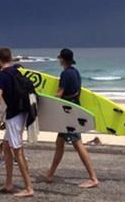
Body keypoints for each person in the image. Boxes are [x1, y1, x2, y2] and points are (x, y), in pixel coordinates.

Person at [0, 48, 33, 198]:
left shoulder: (1, 76)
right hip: (22, 113)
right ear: (10, 58)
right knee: (8, 148)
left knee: (18, 152)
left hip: (14, 116)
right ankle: (9, 183)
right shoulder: (17, 71)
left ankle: (29, 188)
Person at [45, 48, 99, 189]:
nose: (59, 60)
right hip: (74, 110)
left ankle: (93, 178)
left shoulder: (65, 74)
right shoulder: (75, 72)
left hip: (68, 114)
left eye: (60, 58)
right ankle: (50, 174)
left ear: (63, 59)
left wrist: (45, 103)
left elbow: (59, 94)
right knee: (59, 143)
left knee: (78, 144)